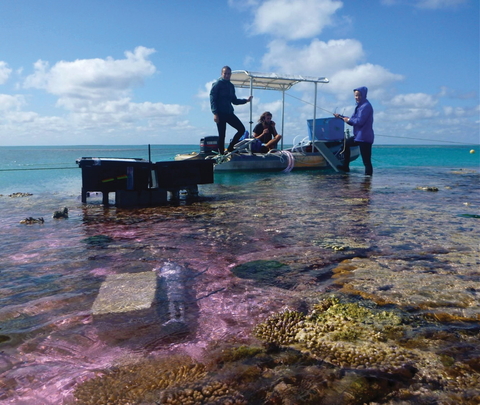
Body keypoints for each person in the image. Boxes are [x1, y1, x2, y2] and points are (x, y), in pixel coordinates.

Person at [210, 66, 253, 154]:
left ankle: (230, 147)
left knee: (241, 129)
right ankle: (221, 154)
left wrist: (246, 100)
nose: (227, 75)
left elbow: (235, 101)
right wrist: (215, 113)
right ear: (221, 74)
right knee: (222, 135)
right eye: (225, 73)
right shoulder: (217, 84)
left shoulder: (231, 86)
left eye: (228, 74)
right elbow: (212, 99)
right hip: (220, 114)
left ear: (230, 75)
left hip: (229, 113)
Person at [334, 86, 374, 175]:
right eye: (356, 95)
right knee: (345, 144)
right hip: (358, 136)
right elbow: (352, 121)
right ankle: (345, 166)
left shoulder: (366, 106)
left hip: (365, 137)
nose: (357, 97)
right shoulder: (359, 106)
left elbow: (359, 122)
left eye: (359, 95)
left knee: (366, 161)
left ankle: (368, 180)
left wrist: (348, 120)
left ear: (364, 95)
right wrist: (340, 117)